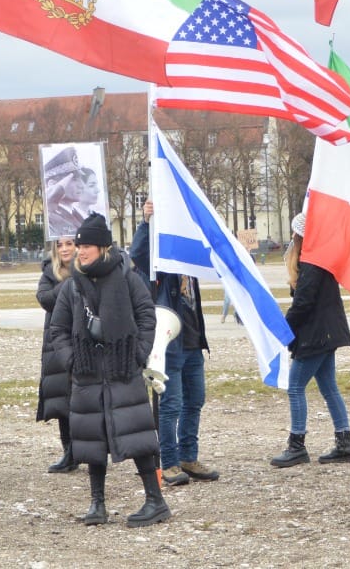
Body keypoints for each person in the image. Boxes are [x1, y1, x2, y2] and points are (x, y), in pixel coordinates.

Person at [46, 214, 169, 527]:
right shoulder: (72, 285)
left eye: (86, 245)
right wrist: (72, 359)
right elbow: (58, 329)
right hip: (86, 373)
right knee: (91, 439)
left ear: (102, 247)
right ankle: (97, 503)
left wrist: (137, 353)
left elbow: (146, 315)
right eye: (79, 245)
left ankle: (155, 500)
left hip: (122, 367)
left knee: (137, 432)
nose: (80, 251)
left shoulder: (127, 277)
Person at [131, 199, 221, 488]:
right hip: (172, 342)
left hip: (194, 342)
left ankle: (188, 457)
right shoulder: (163, 263)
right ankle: (168, 461)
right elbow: (139, 254)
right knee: (171, 404)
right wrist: (146, 223)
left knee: (195, 400)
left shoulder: (191, 263)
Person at [272, 211, 350, 468]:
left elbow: (303, 302)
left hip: (315, 335)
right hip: (325, 334)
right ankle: (345, 442)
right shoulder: (320, 260)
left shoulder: (311, 263)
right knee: (329, 387)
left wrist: (285, 329)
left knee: (296, 387)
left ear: (300, 236)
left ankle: (297, 445)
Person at [37, 235, 78, 474]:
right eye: (59, 244)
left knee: (86, 399)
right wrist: (72, 282)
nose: (64, 248)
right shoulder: (49, 272)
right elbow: (45, 299)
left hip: (83, 340)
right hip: (56, 344)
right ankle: (69, 451)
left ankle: (90, 448)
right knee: (62, 401)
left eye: (69, 243)